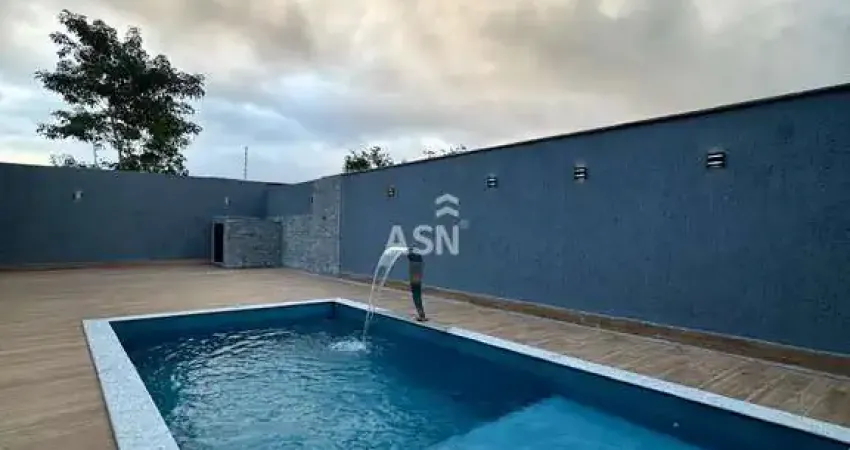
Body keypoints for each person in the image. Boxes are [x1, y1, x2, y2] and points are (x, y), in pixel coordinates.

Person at [407, 247, 427, 321]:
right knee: (417, 297)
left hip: (415, 281)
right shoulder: (419, 263)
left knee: (416, 297)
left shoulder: (413, 263)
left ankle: (422, 315)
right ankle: (422, 314)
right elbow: (410, 256)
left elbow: (409, 256)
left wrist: (410, 251)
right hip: (418, 281)